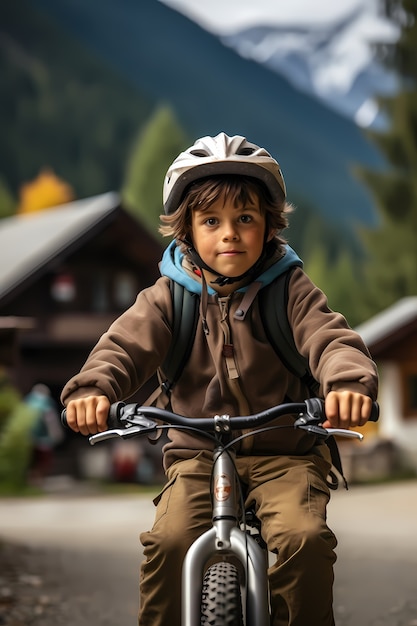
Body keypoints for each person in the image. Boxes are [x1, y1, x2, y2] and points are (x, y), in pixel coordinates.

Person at [61, 133, 378, 626]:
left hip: (285, 453)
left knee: (304, 540)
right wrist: (92, 390)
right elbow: (123, 347)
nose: (229, 234)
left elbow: (330, 338)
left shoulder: (289, 288)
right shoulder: (169, 297)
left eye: (245, 219)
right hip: (195, 454)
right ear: (186, 231)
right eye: (212, 221)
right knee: (168, 544)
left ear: (269, 227)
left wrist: (347, 384)